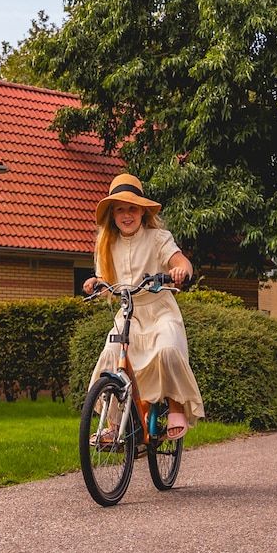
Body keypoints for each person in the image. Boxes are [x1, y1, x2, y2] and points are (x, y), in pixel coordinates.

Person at [82, 172, 203, 441]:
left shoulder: (158, 237)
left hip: (160, 310)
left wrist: (180, 271)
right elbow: (106, 280)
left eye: (132, 208)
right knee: (111, 355)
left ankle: (175, 406)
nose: (127, 215)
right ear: (112, 214)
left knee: (168, 348)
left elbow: (181, 262)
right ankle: (113, 425)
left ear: (142, 211)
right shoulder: (106, 244)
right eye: (120, 209)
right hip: (129, 314)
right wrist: (96, 283)